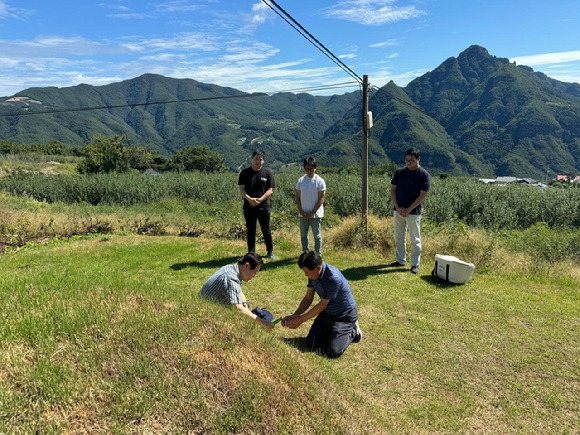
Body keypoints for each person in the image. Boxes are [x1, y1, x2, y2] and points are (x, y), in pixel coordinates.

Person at [282, 251, 362, 358]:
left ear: (318, 268)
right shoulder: (313, 274)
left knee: (333, 351)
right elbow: (308, 298)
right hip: (327, 314)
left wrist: (301, 320)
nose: (306, 275)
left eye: (307, 272)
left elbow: (322, 305)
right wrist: (295, 315)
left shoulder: (333, 278)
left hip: (344, 316)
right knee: (311, 343)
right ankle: (334, 333)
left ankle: (353, 331)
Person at [199, 252, 274, 330]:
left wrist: (244, 303)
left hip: (209, 306)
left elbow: (238, 290)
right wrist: (263, 323)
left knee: (246, 305)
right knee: (243, 316)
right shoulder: (231, 278)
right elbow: (238, 308)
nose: (254, 276)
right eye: (254, 272)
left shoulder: (232, 268)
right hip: (207, 313)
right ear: (246, 266)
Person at [390, 148, 431, 274]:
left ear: (418, 159)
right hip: (398, 210)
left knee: (415, 238)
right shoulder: (399, 172)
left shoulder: (424, 175)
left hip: (414, 212)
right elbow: (393, 190)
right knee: (399, 236)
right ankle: (400, 260)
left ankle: (415, 264)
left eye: (412, 160)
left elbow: (422, 195)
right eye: (407, 160)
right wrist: (397, 207)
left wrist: (408, 209)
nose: (409, 163)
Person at [238, 150, 276, 259]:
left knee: (266, 229)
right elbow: (242, 189)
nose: (258, 161)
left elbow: (270, 190)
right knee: (251, 230)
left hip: (263, 206)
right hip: (249, 206)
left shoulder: (267, 173)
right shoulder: (244, 173)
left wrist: (260, 199)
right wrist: (250, 199)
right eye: (256, 159)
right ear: (252, 159)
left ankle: (270, 251)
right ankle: (251, 252)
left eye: (260, 159)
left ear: (263, 161)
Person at [295, 157, 326, 254]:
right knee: (304, 235)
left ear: (315, 168)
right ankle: (305, 253)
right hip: (303, 214)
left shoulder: (320, 181)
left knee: (317, 235)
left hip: (316, 214)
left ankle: (318, 254)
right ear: (304, 168)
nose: (309, 171)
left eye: (311, 168)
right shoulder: (300, 181)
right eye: (307, 168)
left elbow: (322, 198)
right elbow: (298, 198)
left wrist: (313, 212)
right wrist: (300, 211)